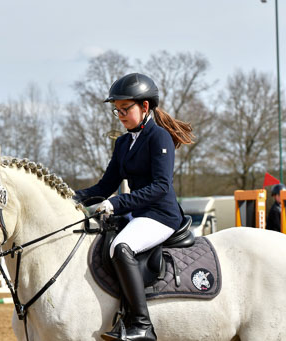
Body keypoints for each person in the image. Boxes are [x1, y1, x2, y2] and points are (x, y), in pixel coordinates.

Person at [74, 73, 194, 341]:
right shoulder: (123, 142)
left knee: (121, 247)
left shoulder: (159, 137)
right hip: (137, 215)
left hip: (161, 215)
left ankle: (142, 325)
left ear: (145, 107)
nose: (120, 115)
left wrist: (116, 203)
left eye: (125, 109)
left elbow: (161, 186)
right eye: (117, 110)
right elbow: (104, 186)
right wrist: (72, 197)